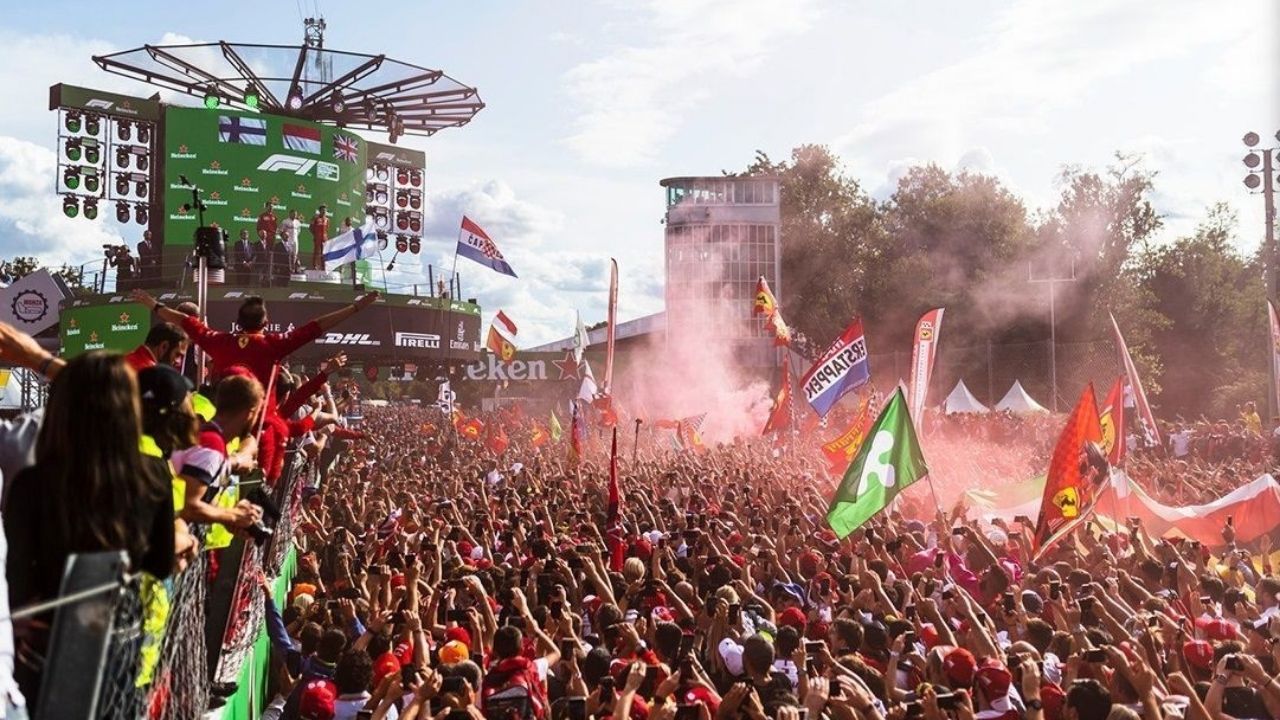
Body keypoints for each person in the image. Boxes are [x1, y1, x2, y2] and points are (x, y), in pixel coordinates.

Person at [4, 352, 175, 711]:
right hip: (119, 638)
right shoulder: (154, 475)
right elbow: (160, 564)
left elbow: (16, 576)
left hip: (45, 650)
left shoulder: (32, 484)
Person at [131, 289, 381, 394]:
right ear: (265, 323)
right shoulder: (273, 344)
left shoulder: (218, 340)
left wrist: (153, 304)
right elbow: (316, 326)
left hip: (218, 429)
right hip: (254, 434)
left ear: (238, 322)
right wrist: (355, 307)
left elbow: (184, 320)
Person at [124, 321, 189, 372]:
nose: (178, 362)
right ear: (164, 346)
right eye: (177, 355)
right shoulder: (152, 375)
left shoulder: (122, 363)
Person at [310, 205, 330, 272]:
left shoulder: (327, 219)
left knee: (324, 252)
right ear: (320, 211)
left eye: (325, 210)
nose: (324, 211)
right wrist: (315, 235)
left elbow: (327, 228)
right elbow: (311, 228)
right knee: (316, 252)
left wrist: (325, 236)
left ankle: (323, 266)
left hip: (324, 238)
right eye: (322, 210)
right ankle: (314, 265)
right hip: (317, 238)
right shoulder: (315, 218)